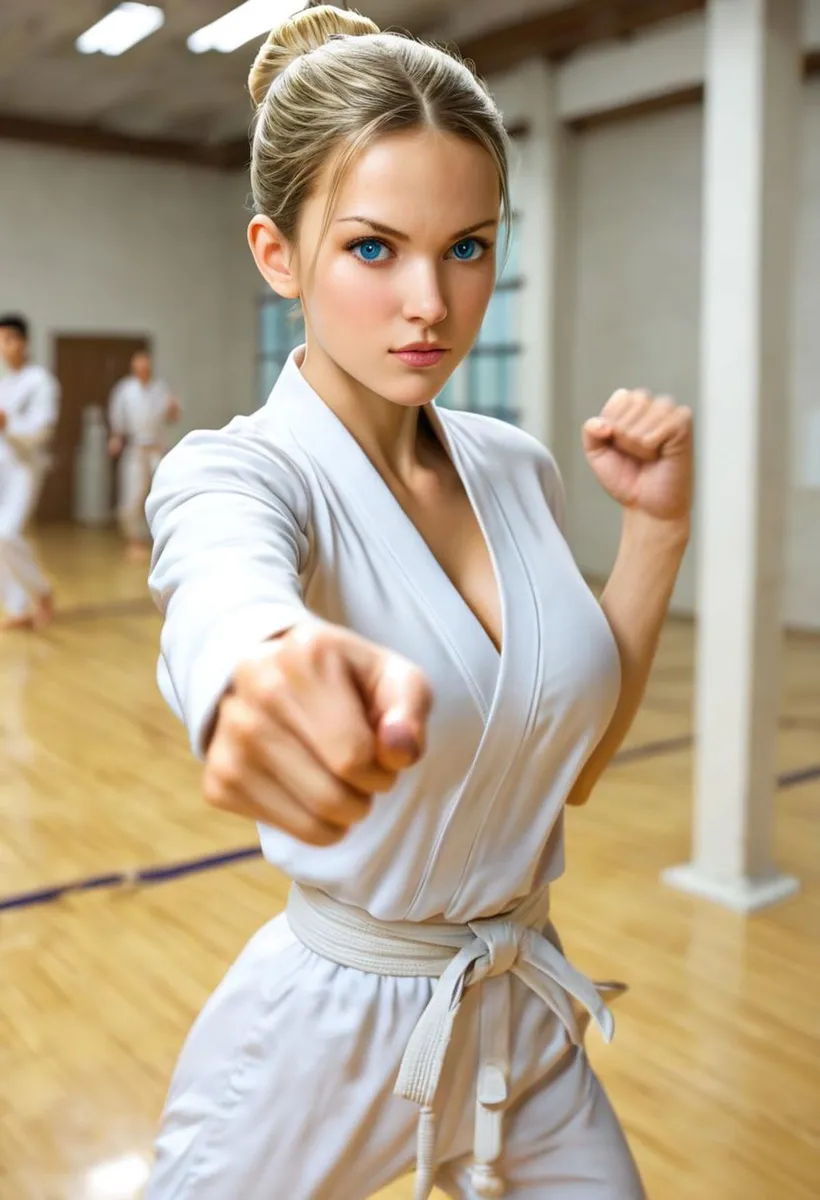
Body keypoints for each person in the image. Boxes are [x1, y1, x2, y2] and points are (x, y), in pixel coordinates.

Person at [143, 7, 692, 1199]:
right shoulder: (237, 472)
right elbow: (224, 588)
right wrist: (259, 673)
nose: (430, 305)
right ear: (278, 253)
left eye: (468, 247)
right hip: (321, 1036)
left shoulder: (515, 465)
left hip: (518, 1003)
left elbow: (572, 765)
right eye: (373, 249)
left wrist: (655, 528)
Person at [0, 314, 59, 631]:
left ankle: (42, 592)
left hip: (26, 467)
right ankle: (18, 606)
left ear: (23, 341)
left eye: (8, 339)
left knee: (6, 534)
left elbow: (42, 430)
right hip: (2, 467)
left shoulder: (41, 381)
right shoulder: (3, 383)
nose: (2, 347)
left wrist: (8, 425)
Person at [108, 348, 180, 561]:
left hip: (156, 448)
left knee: (162, 491)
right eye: (138, 365)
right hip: (135, 448)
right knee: (132, 495)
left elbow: (172, 418)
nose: (142, 369)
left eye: (145, 365)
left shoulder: (160, 388)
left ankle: (162, 538)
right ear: (133, 367)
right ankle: (133, 539)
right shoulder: (124, 390)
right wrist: (116, 437)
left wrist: (173, 408)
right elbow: (117, 418)